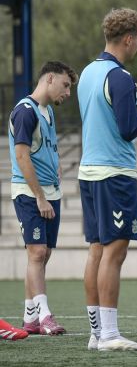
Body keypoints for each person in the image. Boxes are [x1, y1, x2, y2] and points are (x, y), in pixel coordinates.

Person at [78, 7, 137, 351]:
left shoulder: (88, 72)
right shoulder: (120, 77)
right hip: (114, 174)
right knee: (115, 251)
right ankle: (108, 334)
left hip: (88, 171)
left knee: (96, 250)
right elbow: (127, 130)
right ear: (128, 38)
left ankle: (97, 334)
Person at [9, 61, 77, 336]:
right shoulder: (25, 111)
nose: (68, 92)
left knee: (43, 254)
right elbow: (22, 155)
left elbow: (46, 147)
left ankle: (30, 317)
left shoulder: (47, 111)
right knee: (36, 252)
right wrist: (39, 196)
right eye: (66, 85)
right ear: (49, 78)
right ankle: (46, 315)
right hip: (30, 193)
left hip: (52, 191)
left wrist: (57, 165)